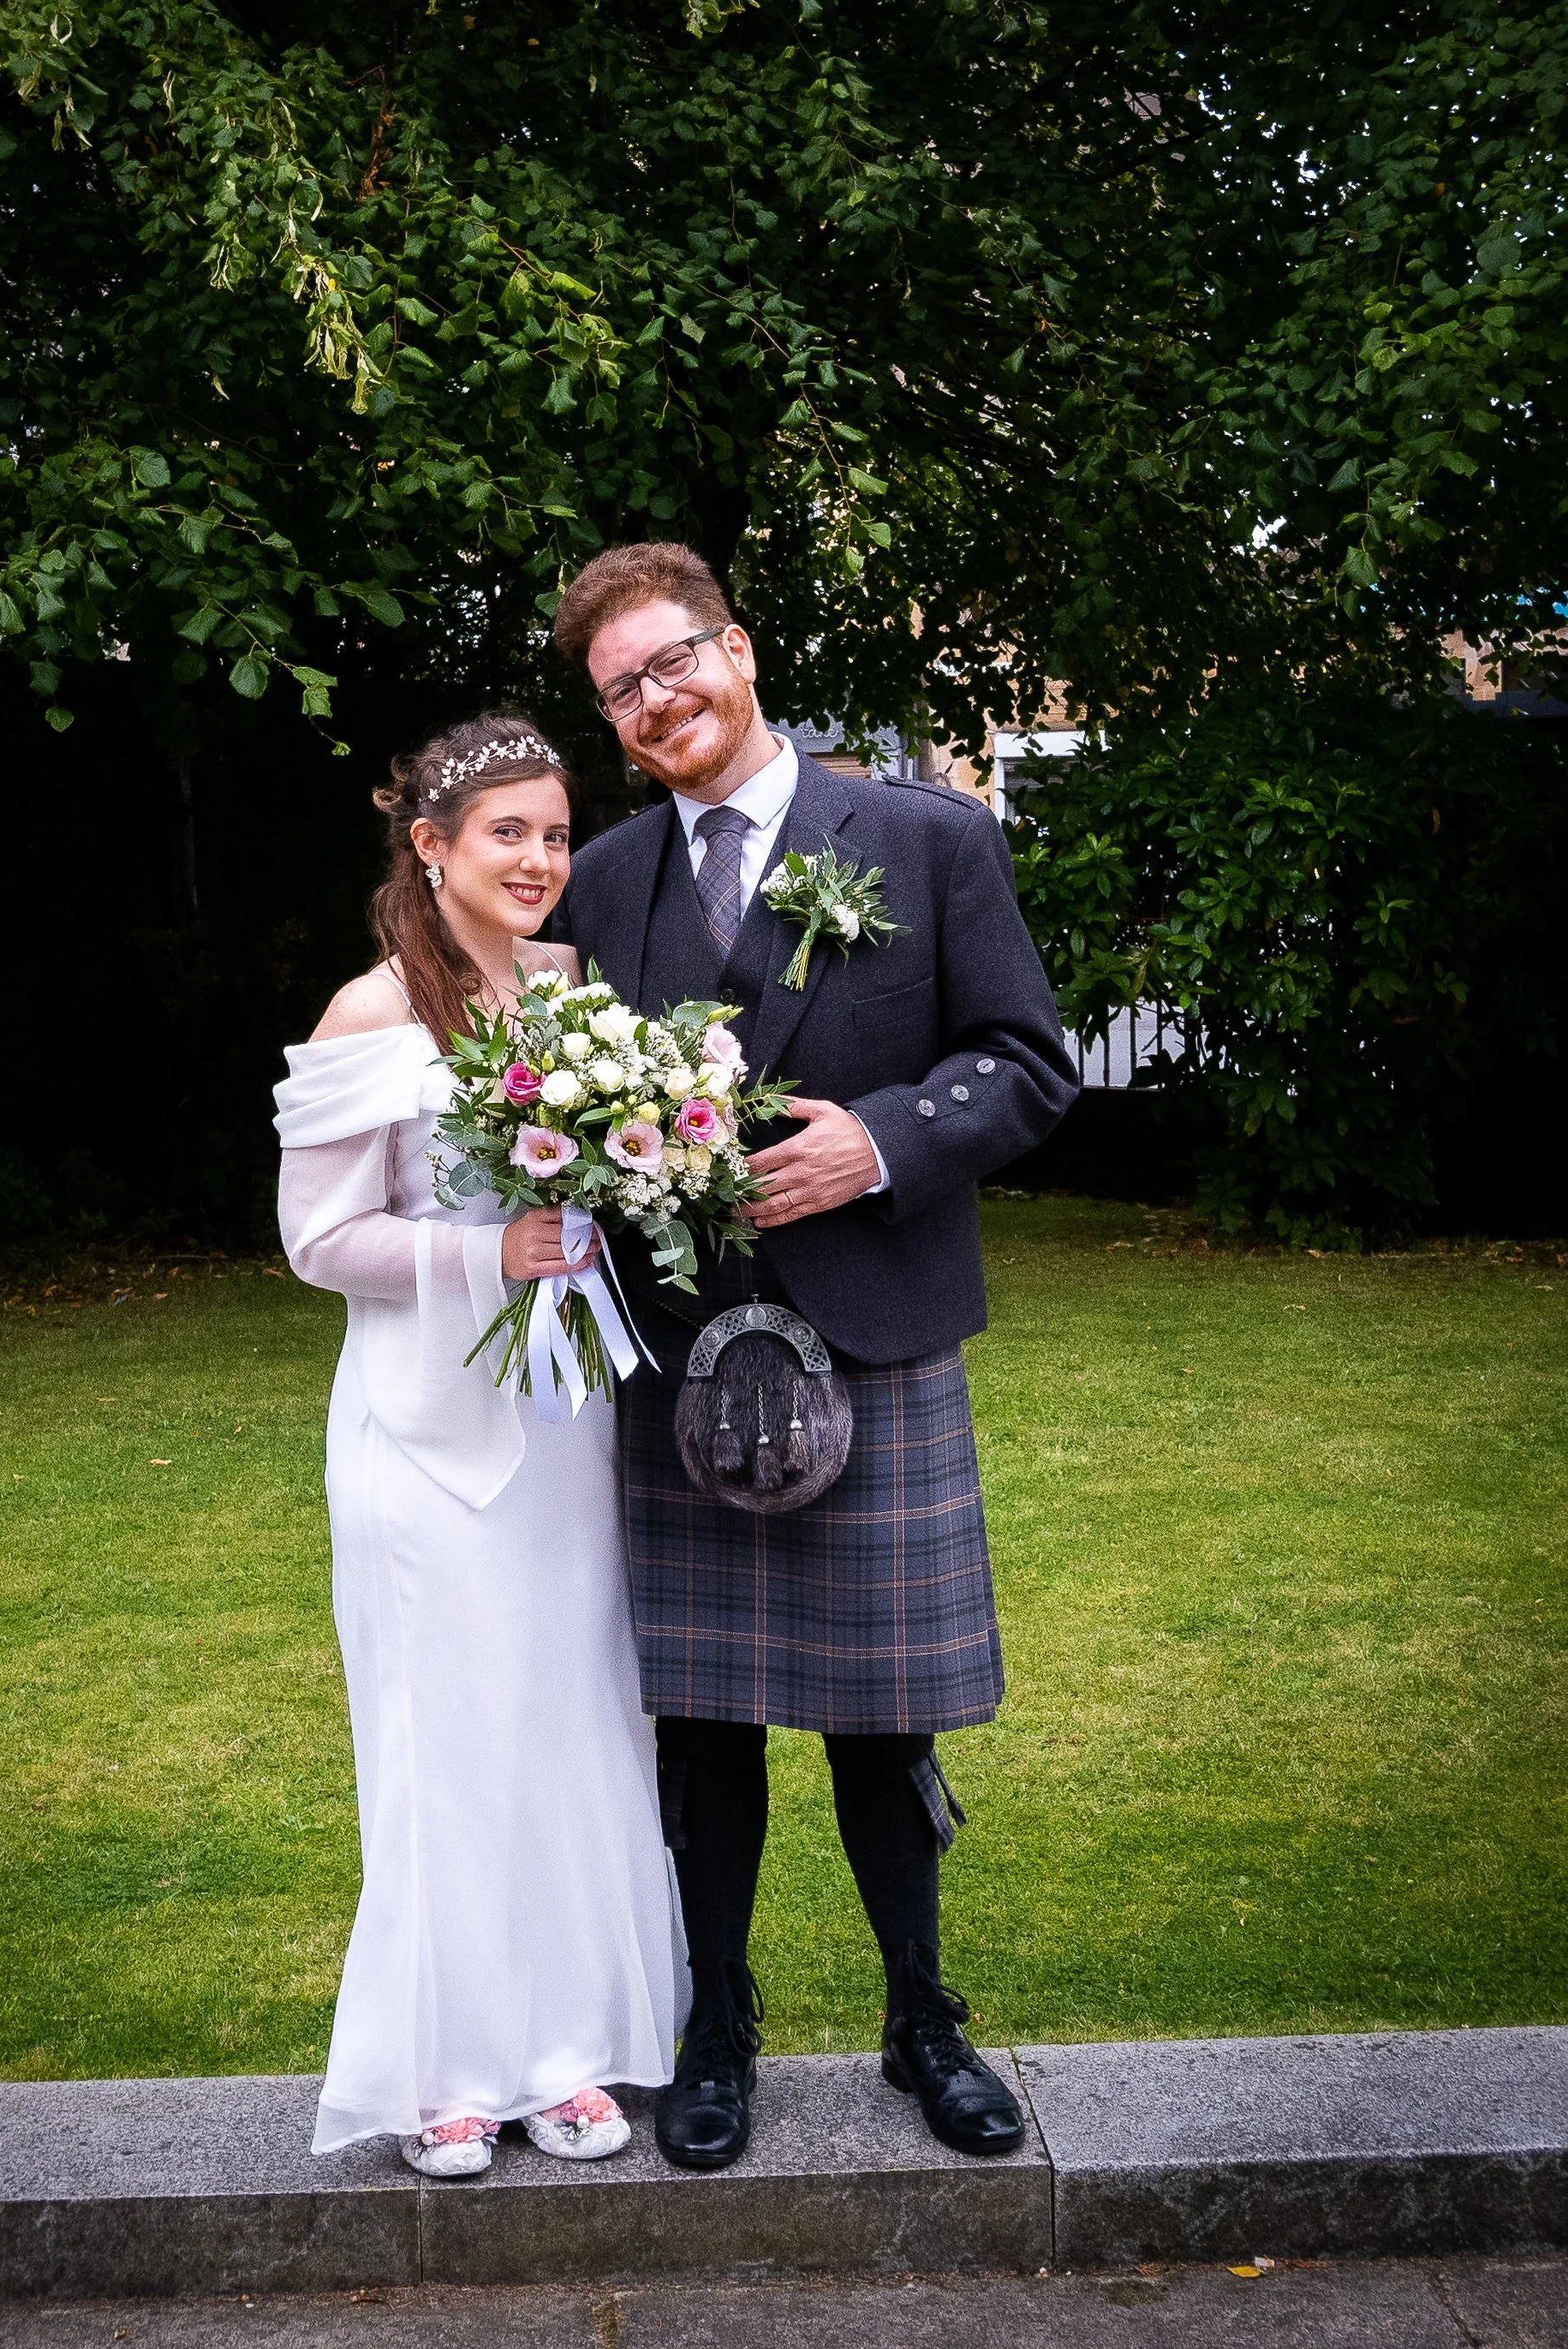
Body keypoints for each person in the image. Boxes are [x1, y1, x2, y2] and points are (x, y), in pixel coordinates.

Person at [549, 545, 1080, 2172]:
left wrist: (884, 1143)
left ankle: (923, 2019)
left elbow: (1028, 1065)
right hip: (679, 1360)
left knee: (881, 1717)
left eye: (676, 660)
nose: (659, 700)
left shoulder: (926, 838)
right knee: (695, 1724)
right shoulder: (607, 880)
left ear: (741, 649)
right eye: (623, 688)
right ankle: (717, 2030)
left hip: (874, 1337)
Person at [274, 712, 680, 2179]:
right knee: (443, 1741)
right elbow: (315, 1239)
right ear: (430, 846)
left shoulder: (572, 990)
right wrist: (483, 1254)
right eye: (506, 832)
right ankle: (445, 2069)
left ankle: (567, 2051)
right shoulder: (370, 1012)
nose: (539, 860)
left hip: (562, 1423)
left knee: (569, 1728)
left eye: (557, 834)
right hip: (422, 1433)